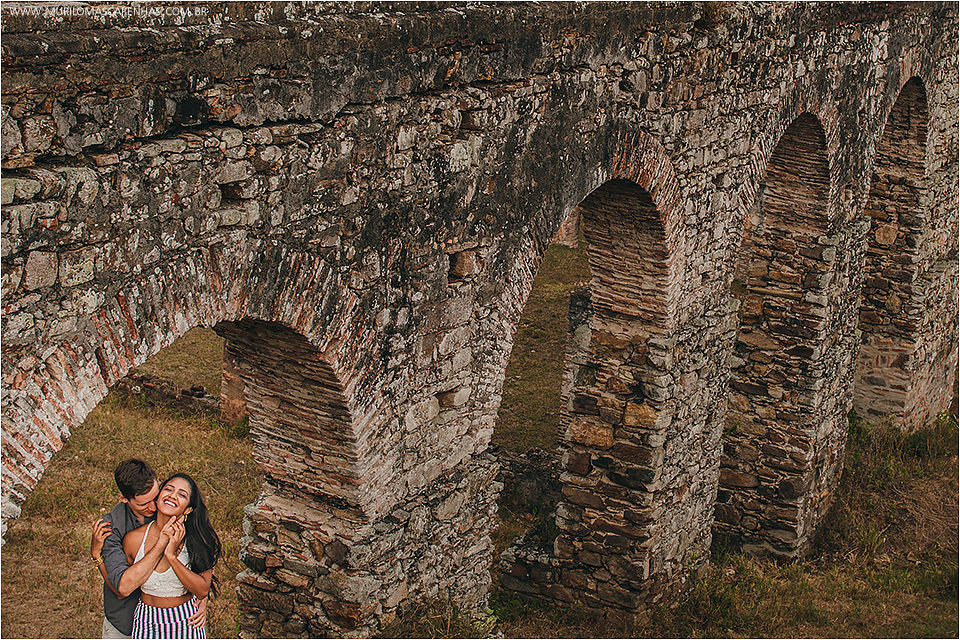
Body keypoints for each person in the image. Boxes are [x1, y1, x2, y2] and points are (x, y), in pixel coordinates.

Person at [90, 460, 206, 638]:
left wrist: (202, 597)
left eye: (155, 497)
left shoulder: (170, 510)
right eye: (144, 504)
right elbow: (122, 588)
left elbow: (203, 554)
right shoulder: (110, 528)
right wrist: (97, 557)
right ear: (123, 498)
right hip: (125, 620)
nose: (153, 507)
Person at [121, 473, 223, 639]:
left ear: (188, 509)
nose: (173, 496)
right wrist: (97, 557)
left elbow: (202, 590)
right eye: (168, 489)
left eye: (182, 495)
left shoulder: (197, 540)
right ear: (158, 496)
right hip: (146, 621)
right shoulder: (134, 539)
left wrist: (171, 556)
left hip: (186, 621)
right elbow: (122, 586)